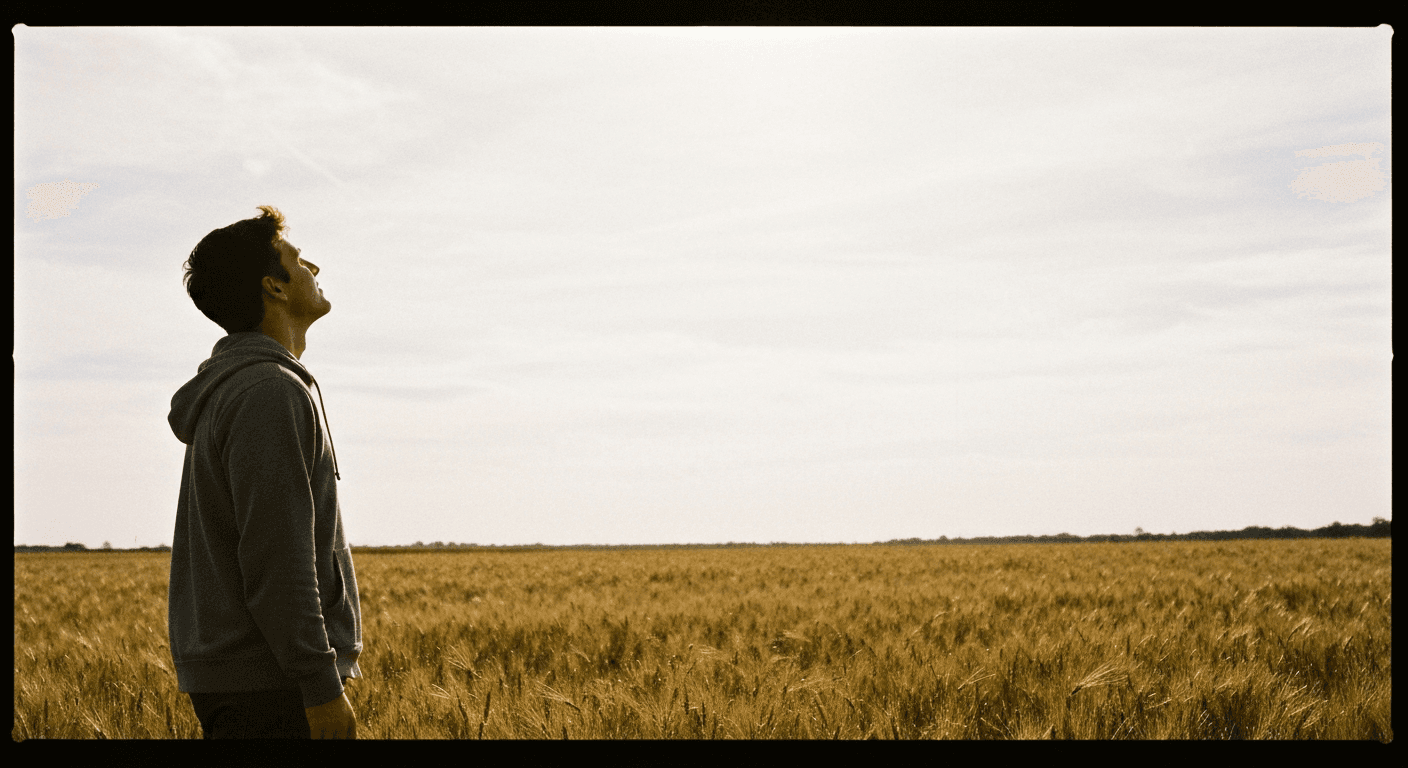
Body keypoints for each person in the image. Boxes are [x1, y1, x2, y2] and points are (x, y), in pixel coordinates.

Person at [168, 205, 362, 739]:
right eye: (298, 260)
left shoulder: (243, 388)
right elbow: (278, 558)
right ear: (274, 288)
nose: (313, 268)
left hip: (253, 682)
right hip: (269, 689)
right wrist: (321, 687)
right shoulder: (268, 392)